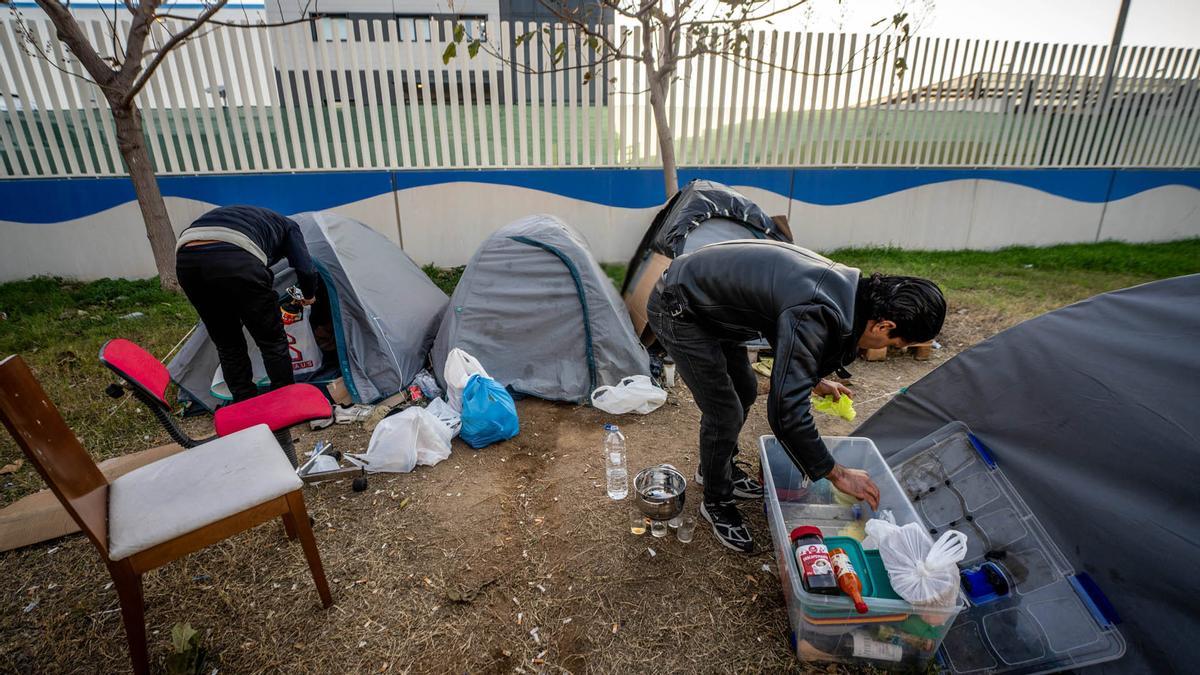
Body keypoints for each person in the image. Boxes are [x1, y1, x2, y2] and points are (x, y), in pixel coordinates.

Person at [646, 240, 946, 553]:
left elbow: (787, 327)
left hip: (715, 308)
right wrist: (836, 473)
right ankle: (716, 500)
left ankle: (716, 469)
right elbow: (785, 411)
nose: (890, 349)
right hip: (680, 309)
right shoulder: (819, 309)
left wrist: (814, 379)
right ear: (885, 325)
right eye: (896, 344)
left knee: (746, 389)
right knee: (724, 411)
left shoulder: (851, 292)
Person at [175, 205, 319, 403]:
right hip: (236, 257)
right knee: (272, 341)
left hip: (187, 260)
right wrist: (309, 294)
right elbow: (306, 269)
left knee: (228, 345)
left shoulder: (253, 219)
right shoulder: (290, 227)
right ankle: (286, 402)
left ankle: (245, 405)